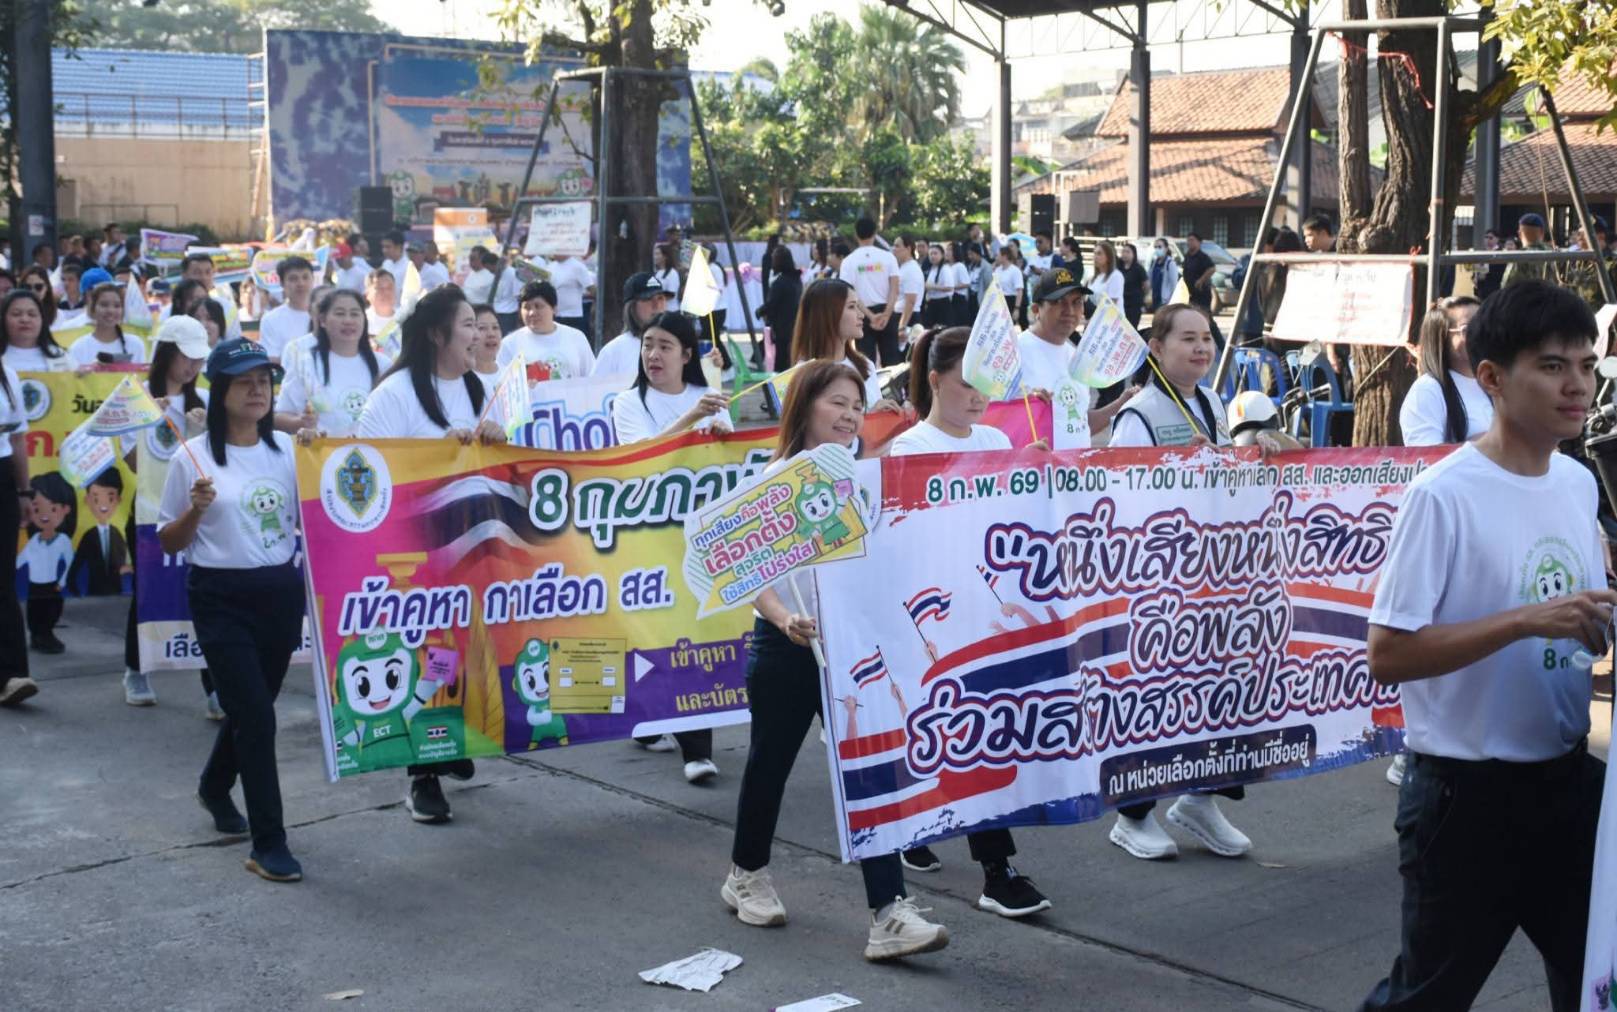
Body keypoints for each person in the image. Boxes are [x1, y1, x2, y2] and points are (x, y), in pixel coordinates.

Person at [1359, 280, 1609, 1011]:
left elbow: (1577, 619)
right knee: (1428, 995)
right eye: (1553, 366)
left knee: (1596, 980)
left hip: (1568, 781)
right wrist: (1525, 621)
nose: (1577, 386)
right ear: (1493, 378)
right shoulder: (1442, 495)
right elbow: (1387, 654)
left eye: (1587, 366)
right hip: (1465, 801)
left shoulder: (1576, 482)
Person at [721, 359, 951, 961]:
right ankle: (746, 874)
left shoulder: (867, 476)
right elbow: (753, 575)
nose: (850, 416)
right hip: (787, 647)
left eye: (856, 405)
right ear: (804, 407)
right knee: (769, 766)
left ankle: (889, 913)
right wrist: (783, 618)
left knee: (869, 769)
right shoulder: (774, 481)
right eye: (837, 404)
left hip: (855, 647)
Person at [886, 326, 1055, 919]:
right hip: (928, 620)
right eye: (967, 382)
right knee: (956, 733)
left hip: (984, 617)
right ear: (935, 381)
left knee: (974, 734)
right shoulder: (908, 449)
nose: (980, 395)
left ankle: (933, 832)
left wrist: (1032, 472)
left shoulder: (994, 437)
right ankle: (994, 869)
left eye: (987, 382)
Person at [1104, 303, 1272, 859]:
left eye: (1206, 338)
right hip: (1160, 579)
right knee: (1156, 694)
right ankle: (1133, 815)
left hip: (1213, 571)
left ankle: (1201, 798)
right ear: (1157, 348)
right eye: (1187, 338)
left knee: (1218, 689)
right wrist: (1178, 467)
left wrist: (1255, 451)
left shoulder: (1213, 401)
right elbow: (1121, 493)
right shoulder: (1141, 413)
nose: (1201, 348)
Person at [157, 338, 306, 882]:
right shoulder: (190, 457)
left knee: (252, 708)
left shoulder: (289, 450)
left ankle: (214, 786)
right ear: (220, 391)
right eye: (244, 382)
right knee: (258, 717)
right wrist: (194, 512)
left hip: (280, 593)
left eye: (264, 381)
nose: (257, 391)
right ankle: (269, 843)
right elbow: (169, 540)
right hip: (220, 597)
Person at [357, 286, 504, 825]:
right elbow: (366, 473)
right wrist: (435, 454)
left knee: (461, 654)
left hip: (471, 552)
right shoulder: (393, 396)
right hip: (412, 560)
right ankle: (422, 776)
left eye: (479, 325)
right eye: (467, 325)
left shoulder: (480, 388)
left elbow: (502, 466)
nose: (478, 335)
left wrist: (498, 437)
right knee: (424, 655)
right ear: (438, 334)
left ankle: (449, 743)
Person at [119, 315, 213, 709]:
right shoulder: (137, 396)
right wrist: (149, 422)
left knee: (207, 591)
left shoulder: (204, 400)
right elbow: (133, 463)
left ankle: (214, 685)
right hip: (150, 511)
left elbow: (213, 460)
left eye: (198, 359)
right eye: (186, 357)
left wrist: (199, 432)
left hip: (198, 511)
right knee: (149, 588)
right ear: (167, 353)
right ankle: (136, 669)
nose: (192, 366)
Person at [1014, 269, 1137, 441]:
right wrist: (1020, 407)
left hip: (1078, 459)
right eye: (1058, 302)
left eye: (1077, 302)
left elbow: (1079, 423)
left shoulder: (1077, 358)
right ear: (1036, 309)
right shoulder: (1014, 353)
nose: (1070, 311)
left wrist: (1122, 403)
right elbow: (989, 419)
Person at [274, 289, 389, 438]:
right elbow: (280, 416)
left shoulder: (383, 365)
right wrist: (301, 423)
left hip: (373, 451)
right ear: (322, 320)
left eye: (355, 314)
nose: (348, 320)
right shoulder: (305, 364)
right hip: (322, 451)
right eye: (340, 314)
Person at [611, 311, 732, 445]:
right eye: (647, 346)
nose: (653, 355)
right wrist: (692, 416)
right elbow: (642, 453)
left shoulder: (710, 398)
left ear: (686, 355)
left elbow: (732, 455)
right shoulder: (628, 402)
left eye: (664, 347)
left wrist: (725, 439)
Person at [789, 278, 900, 419]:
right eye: (852, 307)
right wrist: (868, 416)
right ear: (827, 314)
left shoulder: (865, 366)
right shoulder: (802, 375)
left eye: (858, 306)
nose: (861, 315)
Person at [0, 346, 35, 705]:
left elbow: (17, 438)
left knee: (3, 579)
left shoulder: (7, 375)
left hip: (2, 477)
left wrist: (25, 490)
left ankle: (12, 675)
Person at [495, 280, 595, 382]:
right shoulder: (509, 344)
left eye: (538, 306)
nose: (532, 313)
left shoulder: (576, 337)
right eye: (527, 307)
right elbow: (500, 384)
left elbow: (592, 378)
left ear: (554, 309)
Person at [19, 471, 75, 655]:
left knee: (53, 607)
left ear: (65, 509)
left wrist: (63, 581)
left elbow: (70, 561)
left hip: (53, 583)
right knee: (35, 609)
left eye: (53, 509)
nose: (44, 515)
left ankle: (47, 633)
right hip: (34, 583)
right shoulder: (34, 541)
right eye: (37, 509)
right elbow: (21, 560)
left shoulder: (62, 540)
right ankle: (38, 635)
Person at [839, 218, 902, 369]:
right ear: (875, 233)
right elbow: (894, 289)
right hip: (887, 313)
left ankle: (868, 385)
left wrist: (870, 316)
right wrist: (886, 314)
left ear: (856, 234)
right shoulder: (888, 257)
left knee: (866, 363)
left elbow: (848, 292)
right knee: (892, 362)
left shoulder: (848, 261)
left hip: (861, 314)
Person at [593, 273, 669, 379]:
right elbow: (594, 388)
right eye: (648, 299)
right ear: (631, 307)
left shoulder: (678, 346)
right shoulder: (614, 351)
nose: (656, 305)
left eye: (660, 298)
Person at [68, 283, 147, 367]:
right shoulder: (78, 348)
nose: (111, 311)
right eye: (104, 305)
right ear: (93, 309)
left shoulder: (135, 345)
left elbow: (143, 374)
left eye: (117, 306)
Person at [257, 256, 314, 363]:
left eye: (305, 277)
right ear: (282, 283)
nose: (301, 283)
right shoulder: (271, 319)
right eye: (293, 279)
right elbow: (271, 358)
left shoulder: (326, 315)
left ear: (313, 280)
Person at [0, 288, 71, 372]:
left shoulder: (61, 356)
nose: (25, 319)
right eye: (16, 314)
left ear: (42, 319)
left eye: (32, 314)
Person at [756, 245, 802, 370]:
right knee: (789, 358)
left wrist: (759, 311)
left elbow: (772, 304)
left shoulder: (781, 282)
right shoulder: (796, 279)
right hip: (794, 324)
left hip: (782, 327)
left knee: (781, 361)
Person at [1180, 233, 1223, 352]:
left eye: (1192, 240)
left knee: (1207, 319)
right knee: (1192, 319)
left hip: (1202, 293)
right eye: (1188, 240)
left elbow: (1212, 268)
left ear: (1199, 242)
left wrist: (1201, 280)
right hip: (1191, 294)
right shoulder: (1188, 256)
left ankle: (1222, 345)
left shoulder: (1202, 257)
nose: (1189, 242)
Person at [1502, 212, 1556, 289]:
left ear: (1519, 234)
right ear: (1542, 232)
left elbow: (1506, 286)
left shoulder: (1518, 258)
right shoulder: (1557, 256)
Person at [489, 251, 523, 336]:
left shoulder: (513, 273)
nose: (490, 271)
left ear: (495, 264)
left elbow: (518, 295)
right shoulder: (496, 274)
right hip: (497, 312)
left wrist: (520, 315)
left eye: (491, 269)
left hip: (509, 313)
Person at [471, 304, 502, 389]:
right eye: (482, 328)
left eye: (495, 327)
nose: (491, 334)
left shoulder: (510, 374)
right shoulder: (463, 380)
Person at [1088, 240, 1125, 311]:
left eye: (1099, 254)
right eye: (1094, 253)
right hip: (1095, 316)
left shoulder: (1116, 276)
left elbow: (1112, 304)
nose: (1095, 257)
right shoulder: (1094, 278)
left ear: (1108, 257)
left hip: (1111, 317)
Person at [921, 244, 951, 329]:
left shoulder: (945, 268)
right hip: (931, 303)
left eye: (935, 253)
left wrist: (931, 286)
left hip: (942, 304)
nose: (932, 256)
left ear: (942, 255)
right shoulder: (932, 268)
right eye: (930, 254)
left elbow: (949, 287)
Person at [992, 246, 1024, 323]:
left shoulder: (1015, 271)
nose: (996, 258)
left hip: (1010, 301)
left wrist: (1017, 308)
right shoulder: (997, 270)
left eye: (998, 255)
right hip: (999, 301)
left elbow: (1019, 291)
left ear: (1004, 256)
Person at [652, 242, 682, 313]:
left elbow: (671, 294)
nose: (655, 257)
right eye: (654, 254)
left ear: (665, 256)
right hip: (659, 312)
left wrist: (654, 297)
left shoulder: (672, 273)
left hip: (671, 312)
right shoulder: (656, 274)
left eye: (657, 254)